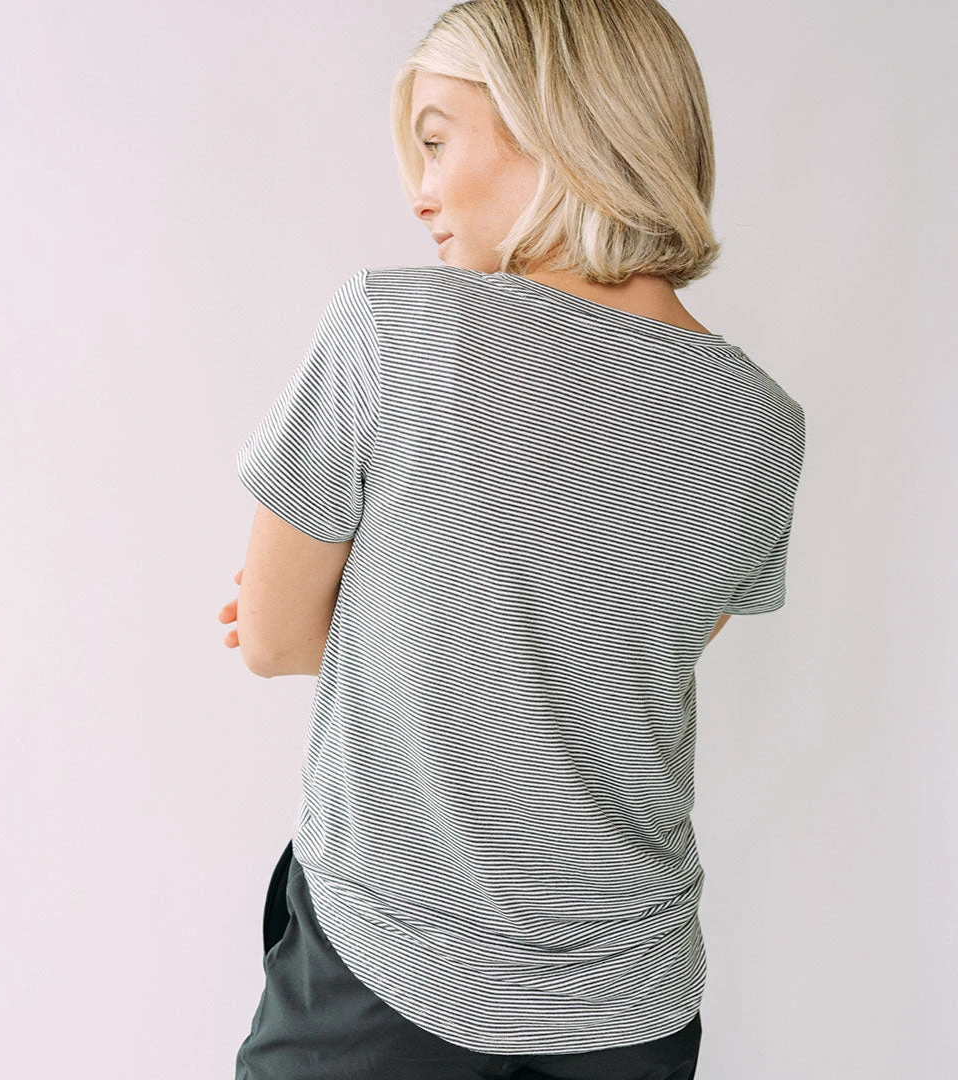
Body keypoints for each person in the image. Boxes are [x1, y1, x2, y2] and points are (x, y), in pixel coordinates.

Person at [219, 1, 806, 1077]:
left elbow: (271, 638)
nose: (419, 188)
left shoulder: (401, 327)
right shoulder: (763, 424)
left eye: (437, 139)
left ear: (561, 122)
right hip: (633, 1004)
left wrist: (369, 603)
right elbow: (628, 659)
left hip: (387, 971)